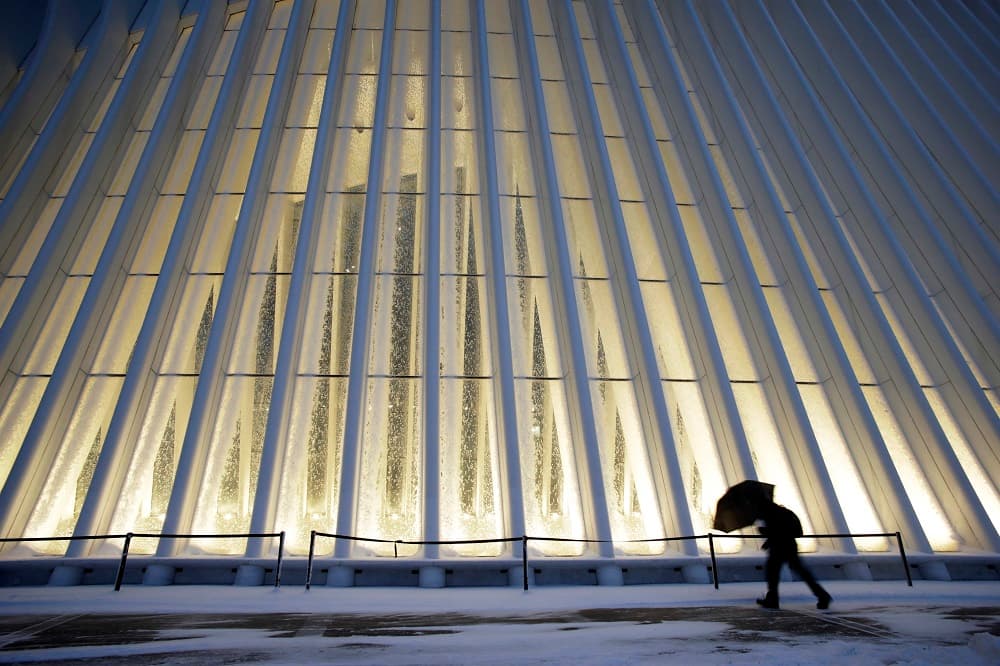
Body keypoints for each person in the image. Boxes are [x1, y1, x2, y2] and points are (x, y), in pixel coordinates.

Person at [755, 501, 832, 610]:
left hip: (779, 548)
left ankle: (772, 599)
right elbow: (783, 531)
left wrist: (763, 531)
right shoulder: (784, 512)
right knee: (800, 572)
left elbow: (776, 532)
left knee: (773, 573)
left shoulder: (771, 515)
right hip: (789, 546)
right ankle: (822, 595)